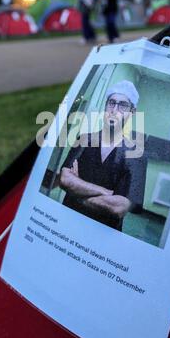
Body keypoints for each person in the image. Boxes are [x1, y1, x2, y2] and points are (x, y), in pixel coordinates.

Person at [60, 80, 147, 232]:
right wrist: (107, 192)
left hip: (103, 233)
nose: (115, 110)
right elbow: (65, 179)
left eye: (123, 105)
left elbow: (119, 207)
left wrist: (77, 191)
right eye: (111, 103)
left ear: (132, 112)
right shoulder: (84, 139)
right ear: (105, 106)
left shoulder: (136, 156)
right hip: (68, 220)